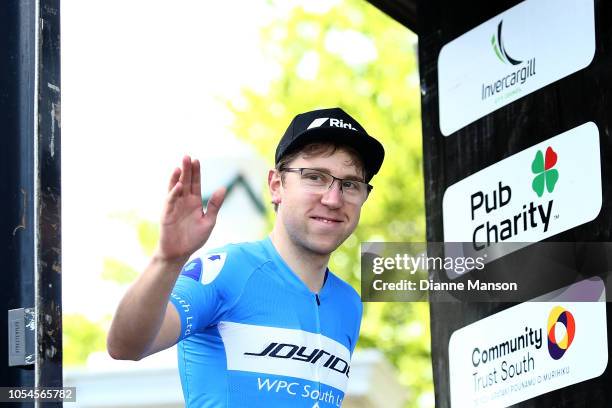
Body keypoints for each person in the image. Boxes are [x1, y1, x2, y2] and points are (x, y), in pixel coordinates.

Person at [107, 107, 385, 407]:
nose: (333, 199)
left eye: (350, 184)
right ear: (276, 185)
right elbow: (126, 346)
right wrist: (167, 260)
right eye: (315, 177)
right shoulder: (226, 270)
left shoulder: (349, 303)